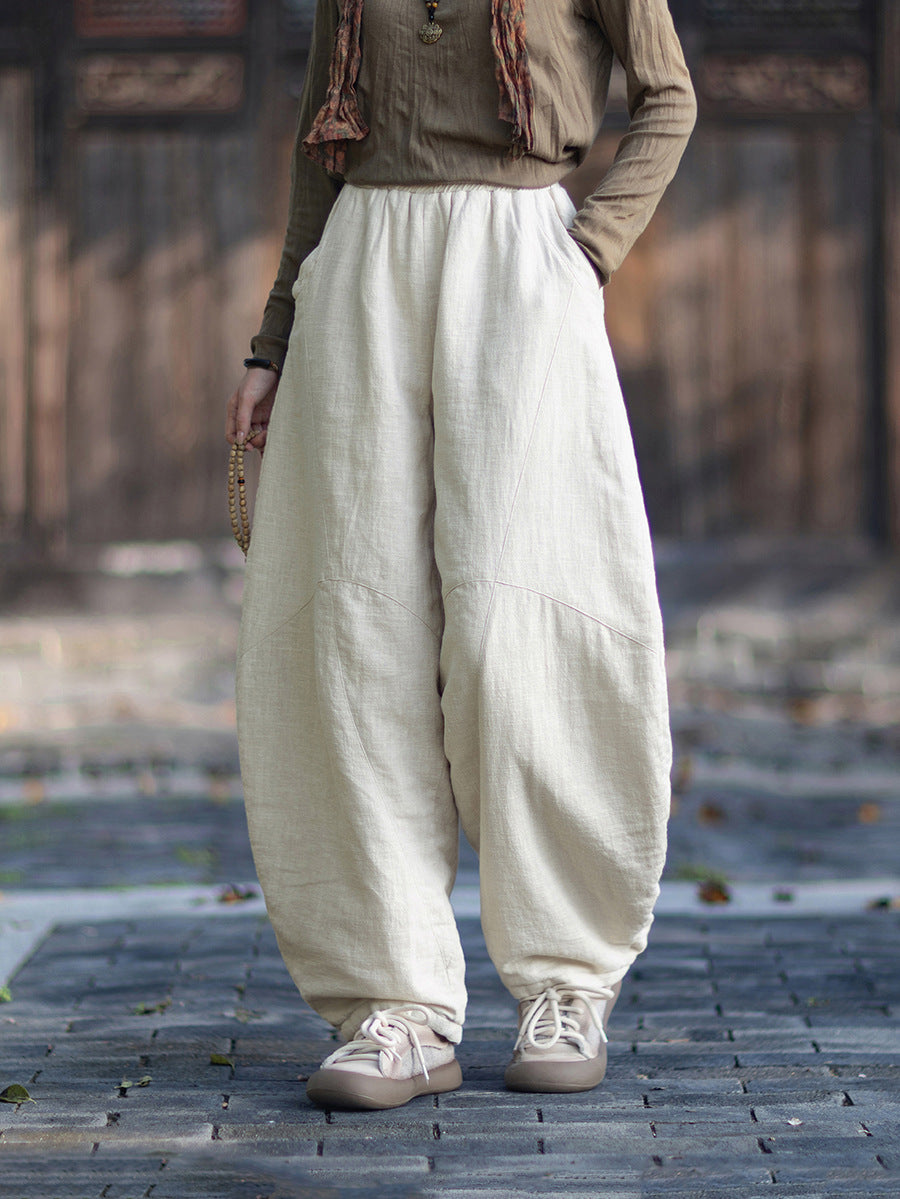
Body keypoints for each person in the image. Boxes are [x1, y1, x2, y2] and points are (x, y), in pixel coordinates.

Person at [225, 0, 696, 1111]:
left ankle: (568, 976)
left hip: (525, 267)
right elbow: (321, 144)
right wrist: (273, 340)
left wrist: (589, 251)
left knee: (524, 621)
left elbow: (667, 96)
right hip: (361, 273)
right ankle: (395, 1003)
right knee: (357, 630)